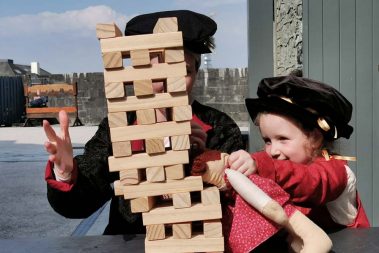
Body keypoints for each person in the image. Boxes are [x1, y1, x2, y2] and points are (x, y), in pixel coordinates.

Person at [43, 10, 244, 235]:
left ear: (196, 73)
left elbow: (237, 203)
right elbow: (85, 197)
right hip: (129, 237)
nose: (169, 82)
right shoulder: (120, 125)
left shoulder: (219, 127)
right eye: (157, 71)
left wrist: (197, 160)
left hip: (197, 239)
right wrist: (66, 172)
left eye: (183, 71)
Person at [226, 75, 370, 231]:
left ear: (314, 138)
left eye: (282, 139)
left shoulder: (336, 170)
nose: (272, 151)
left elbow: (310, 183)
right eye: (267, 140)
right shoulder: (279, 171)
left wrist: (260, 165)